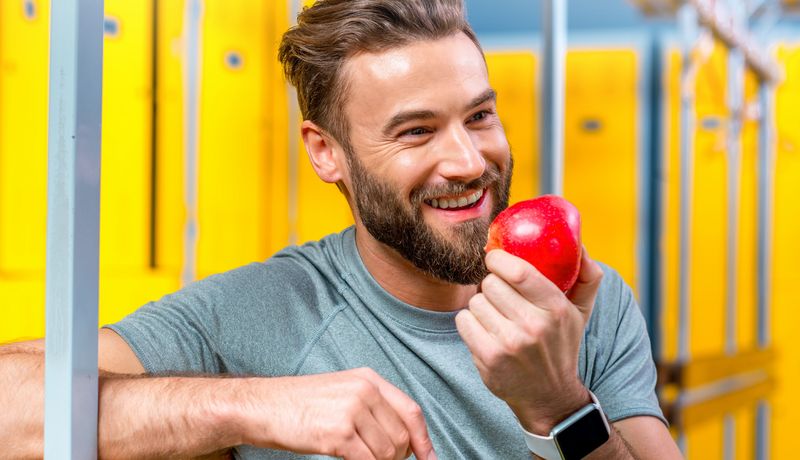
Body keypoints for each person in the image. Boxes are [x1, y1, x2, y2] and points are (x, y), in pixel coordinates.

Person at [0, 0, 683, 458]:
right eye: (417, 131)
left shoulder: (585, 300)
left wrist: (559, 405)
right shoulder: (266, 311)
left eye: (479, 116)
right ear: (325, 152)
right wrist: (252, 406)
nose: (470, 162)